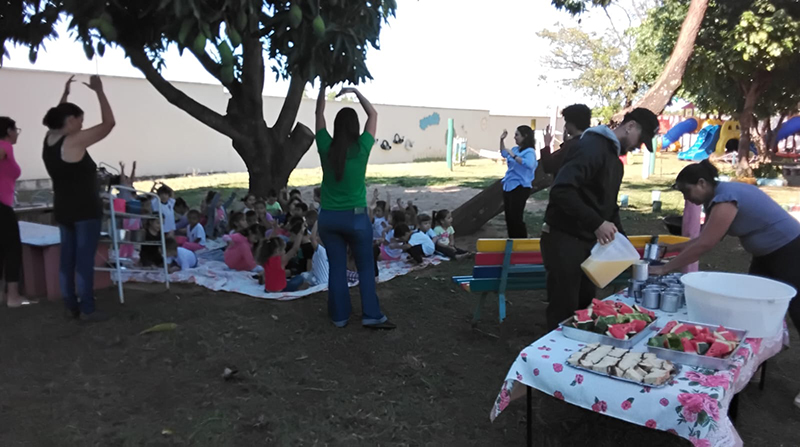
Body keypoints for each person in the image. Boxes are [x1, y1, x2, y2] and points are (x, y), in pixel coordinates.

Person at [650, 161, 800, 406]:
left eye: (686, 191)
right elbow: (704, 238)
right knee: (755, 310)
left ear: (702, 183)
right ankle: (753, 368)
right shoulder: (718, 197)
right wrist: (671, 249)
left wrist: (665, 268)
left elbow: (706, 244)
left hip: (791, 251)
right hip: (767, 256)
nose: (686, 198)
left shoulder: (726, 198)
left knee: (798, 312)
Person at [542, 108, 659, 331]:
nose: (638, 146)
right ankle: (552, 351)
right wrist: (596, 223)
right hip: (564, 239)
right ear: (630, 126)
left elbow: (609, 208)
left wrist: (625, 245)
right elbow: (561, 190)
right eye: (640, 139)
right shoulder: (591, 147)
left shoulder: (615, 161)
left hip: (588, 244)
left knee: (585, 306)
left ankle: (579, 348)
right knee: (564, 307)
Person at [315, 83, 394, 329]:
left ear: (337, 127)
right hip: (357, 217)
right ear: (355, 127)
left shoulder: (325, 146)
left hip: (328, 218)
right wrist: (356, 93)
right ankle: (371, 314)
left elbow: (318, 114)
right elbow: (373, 114)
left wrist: (322, 88)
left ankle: (339, 317)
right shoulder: (362, 148)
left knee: (337, 268)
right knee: (365, 267)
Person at [42, 74, 115, 322]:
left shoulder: (50, 139)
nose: (83, 126)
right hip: (84, 210)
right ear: (70, 121)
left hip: (63, 209)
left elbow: (57, 118)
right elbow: (109, 124)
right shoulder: (73, 141)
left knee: (67, 261)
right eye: (80, 121)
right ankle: (87, 309)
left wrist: (65, 95)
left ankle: (70, 306)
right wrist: (99, 91)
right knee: (83, 261)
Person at [0, 117, 33, 307]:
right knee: (12, 249)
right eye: (16, 130)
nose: (17, 134)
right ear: (8, 131)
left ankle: (2, 295)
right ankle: (13, 296)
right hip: (2, 207)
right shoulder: (5, 146)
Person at [499, 125, 537, 238]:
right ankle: (512, 240)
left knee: (516, 217)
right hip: (509, 186)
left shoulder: (530, 152)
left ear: (525, 136)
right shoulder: (515, 149)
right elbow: (503, 153)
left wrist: (514, 156)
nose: (515, 137)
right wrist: (501, 140)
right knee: (509, 217)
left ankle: (521, 240)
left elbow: (530, 164)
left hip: (520, 187)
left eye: (517, 135)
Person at [541, 104, 592, 177]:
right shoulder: (593, 142)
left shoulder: (571, 146)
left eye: (566, 122)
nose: (565, 126)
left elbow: (549, 166)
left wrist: (547, 144)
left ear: (572, 123)